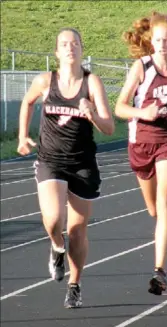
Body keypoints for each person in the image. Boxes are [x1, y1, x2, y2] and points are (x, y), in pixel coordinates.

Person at [17, 28, 115, 308]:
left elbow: (108, 127)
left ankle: (74, 284)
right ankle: (56, 248)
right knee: (53, 220)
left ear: (82, 49)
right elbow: (27, 102)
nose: (70, 47)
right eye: (64, 44)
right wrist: (23, 135)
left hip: (83, 163)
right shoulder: (45, 80)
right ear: (57, 52)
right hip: (50, 159)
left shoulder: (92, 83)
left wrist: (91, 112)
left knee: (77, 231)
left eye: (74, 43)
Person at [115, 12, 167, 295]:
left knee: (164, 199)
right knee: (155, 209)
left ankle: (159, 272)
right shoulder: (142, 67)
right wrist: (143, 112)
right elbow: (120, 107)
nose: (163, 44)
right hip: (142, 141)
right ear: (152, 41)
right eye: (158, 40)